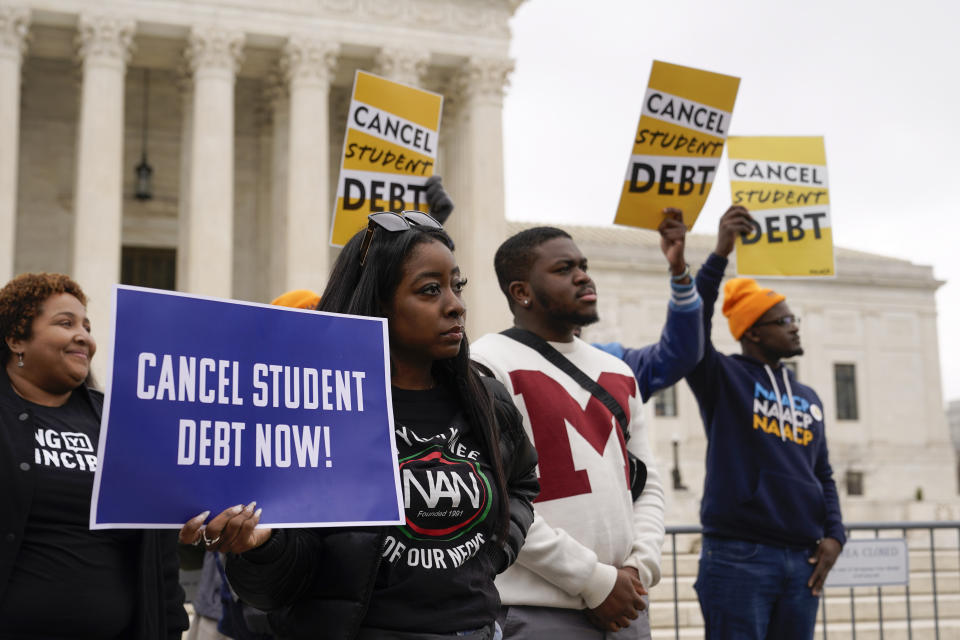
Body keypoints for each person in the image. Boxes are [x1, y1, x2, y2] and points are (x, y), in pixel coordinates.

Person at [179, 211, 539, 640]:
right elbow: (275, 587)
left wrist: (491, 554)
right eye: (430, 290)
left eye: (456, 286)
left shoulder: (487, 399)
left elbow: (521, 483)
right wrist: (260, 549)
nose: (455, 304)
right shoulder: (314, 408)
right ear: (381, 300)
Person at [471, 210, 700, 640]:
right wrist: (594, 582)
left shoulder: (618, 371)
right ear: (521, 291)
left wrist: (636, 569)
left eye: (584, 267)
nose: (582, 277)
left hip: (627, 608)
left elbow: (646, 484)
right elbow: (494, 498)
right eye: (564, 269)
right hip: (538, 611)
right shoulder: (487, 363)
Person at [686, 205, 845, 640]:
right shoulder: (722, 377)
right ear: (752, 332)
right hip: (739, 556)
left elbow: (823, 474)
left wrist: (835, 535)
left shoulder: (807, 397)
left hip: (803, 560)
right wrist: (720, 251)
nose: (795, 328)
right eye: (784, 320)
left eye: (793, 319)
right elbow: (690, 324)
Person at [0, 272, 188, 638]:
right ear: (16, 339)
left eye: (87, 325)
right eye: (65, 323)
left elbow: (159, 552)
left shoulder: (125, 424)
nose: (84, 336)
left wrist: (171, 627)